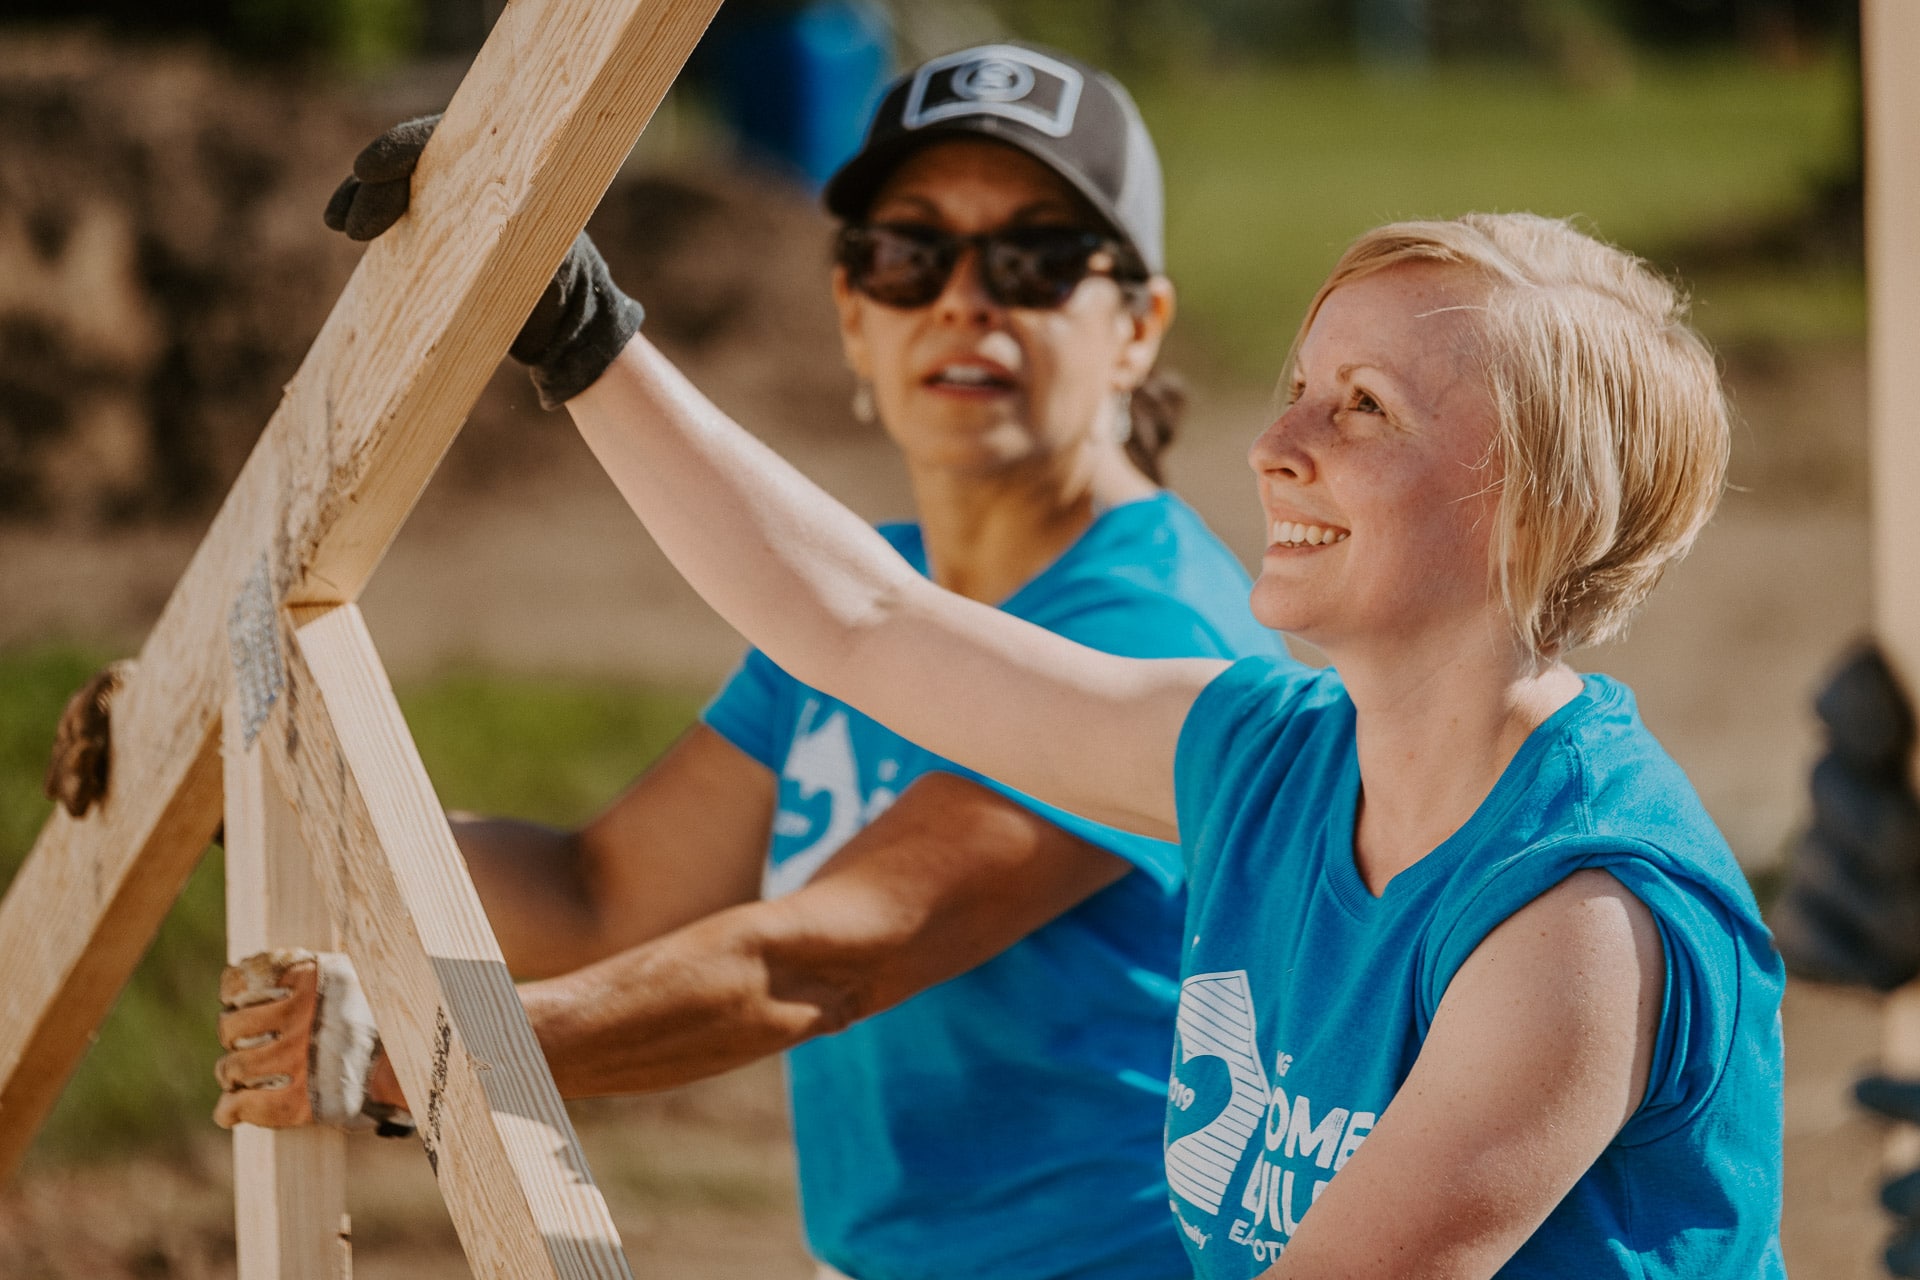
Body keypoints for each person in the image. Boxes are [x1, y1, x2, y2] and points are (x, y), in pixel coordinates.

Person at [381, 202, 1780, 1274]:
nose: (1275, 441)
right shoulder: (1268, 757)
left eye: (1364, 409)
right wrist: (583, 339)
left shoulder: (1576, 918)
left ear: (1537, 508)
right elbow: (863, 623)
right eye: (1302, 383)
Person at [208, 42, 1291, 1280]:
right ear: (850, 314)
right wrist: (259, 790)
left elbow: (823, 957)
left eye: (1038, 259)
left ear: (1139, 325)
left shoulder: (1154, 627)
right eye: (907, 254)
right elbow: (598, 890)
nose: (964, 299)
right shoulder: (854, 594)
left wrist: (415, 1045)